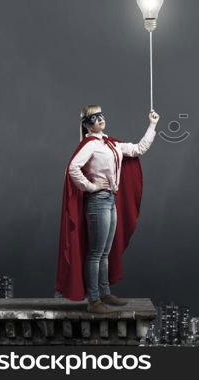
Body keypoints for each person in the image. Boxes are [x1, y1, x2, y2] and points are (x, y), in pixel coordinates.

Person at [54, 105, 159, 313]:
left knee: (104, 252)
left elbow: (139, 149)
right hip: (98, 200)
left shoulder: (112, 144)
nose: (100, 119)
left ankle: (104, 292)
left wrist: (152, 124)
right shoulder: (90, 145)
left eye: (101, 115)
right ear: (87, 124)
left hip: (110, 200)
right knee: (95, 252)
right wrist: (91, 186)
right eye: (94, 117)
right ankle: (94, 300)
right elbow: (72, 168)